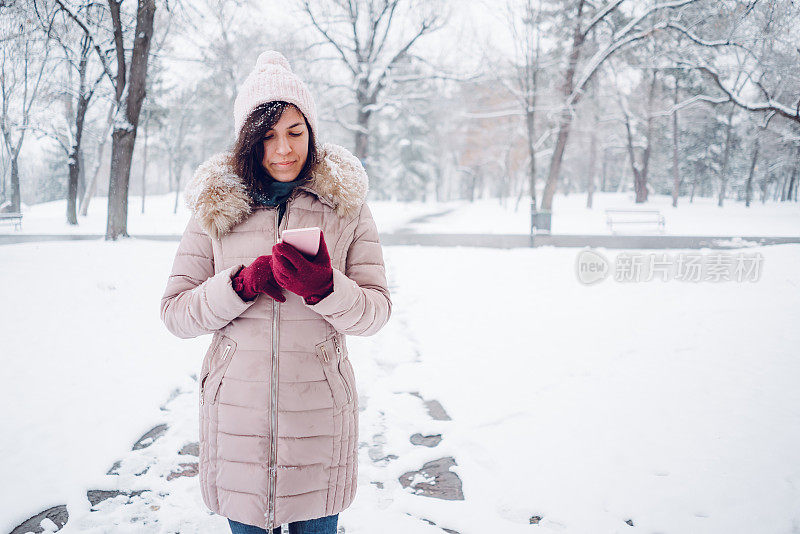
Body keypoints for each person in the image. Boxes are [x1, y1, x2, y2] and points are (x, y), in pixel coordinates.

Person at [160, 50, 392, 534]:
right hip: (236, 423)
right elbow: (176, 314)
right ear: (248, 140)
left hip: (318, 419)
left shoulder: (344, 206)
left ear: (311, 132)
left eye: (295, 132)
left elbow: (375, 313)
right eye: (267, 136)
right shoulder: (215, 208)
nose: (283, 149)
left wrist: (326, 287)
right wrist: (237, 287)